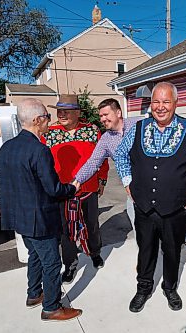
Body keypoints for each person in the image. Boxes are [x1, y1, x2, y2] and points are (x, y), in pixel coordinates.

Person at [114, 82, 186, 312]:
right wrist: (127, 182)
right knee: (145, 250)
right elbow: (121, 154)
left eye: (166, 101)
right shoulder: (137, 128)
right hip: (143, 205)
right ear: (150, 103)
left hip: (176, 209)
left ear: (175, 103)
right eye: (156, 101)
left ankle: (170, 288)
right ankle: (143, 289)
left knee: (172, 251)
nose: (160, 107)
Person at [74, 98, 186, 256]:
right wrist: (77, 180)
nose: (102, 119)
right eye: (100, 116)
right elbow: (93, 162)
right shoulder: (106, 140)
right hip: (136, 187)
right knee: (137, 218)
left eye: (105, 114)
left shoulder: (140, 124)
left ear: (118, 113)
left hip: (161, 180)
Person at [0, 98, 82, 321]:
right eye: (47, 117)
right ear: (37, 120)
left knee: (35, 256)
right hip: (40, 220)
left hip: (19, 220)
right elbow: (53, 189)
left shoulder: (7, 148)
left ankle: (34, 294)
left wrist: (9, 209)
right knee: (51, 262)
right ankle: (51, 307)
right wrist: (72, 188)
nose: (49, 121)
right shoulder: (40, 150)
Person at [42, 94, 109, 284]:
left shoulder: (92, 131)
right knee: (66, 231)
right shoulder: (49, 133)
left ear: (77, 112)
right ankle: (70, 263)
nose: (61, 114)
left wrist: (102, 180)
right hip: (61, 191)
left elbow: (102, 158)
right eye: (59, 111)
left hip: (88, 188)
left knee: (92, 225)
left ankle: (95, 252)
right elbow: (42, 162)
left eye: (66, 111)